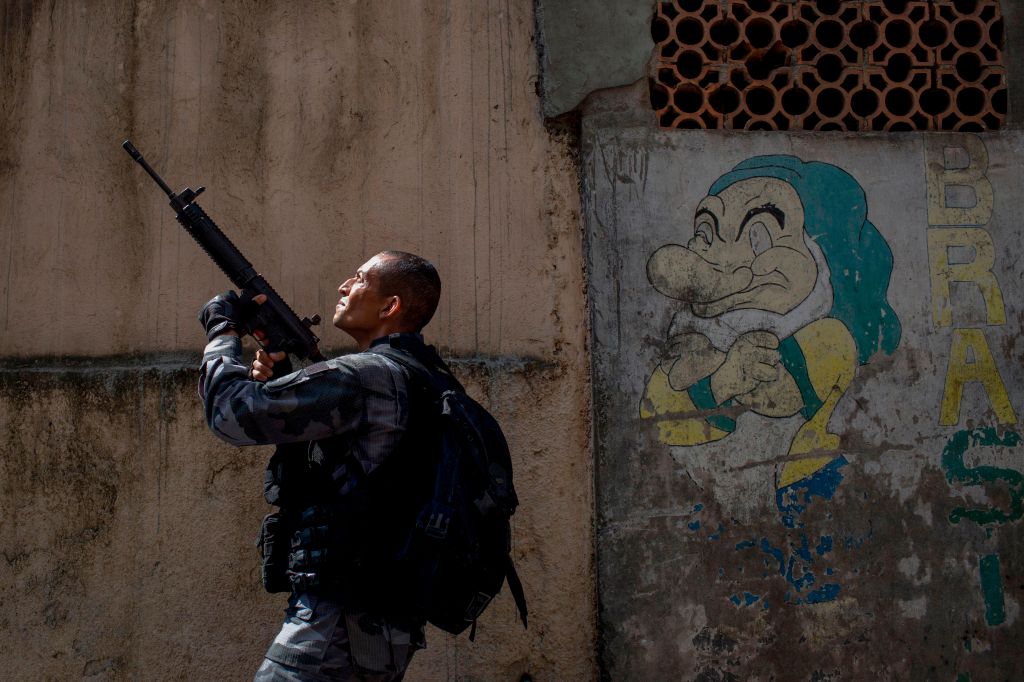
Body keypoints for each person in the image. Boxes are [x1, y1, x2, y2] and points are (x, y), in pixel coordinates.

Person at [197, 251, 450, 681]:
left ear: (390, 307)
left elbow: (230, 414)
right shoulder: (425, 377)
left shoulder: (364, 376)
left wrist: (223, 332)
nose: (343, 286)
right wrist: (283, 382)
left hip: (337, 620)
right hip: (381, 618)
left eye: (359, 279)